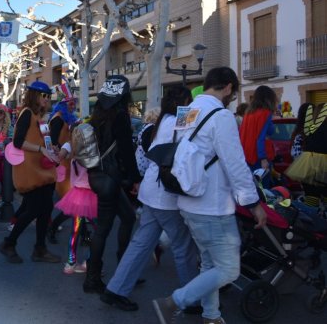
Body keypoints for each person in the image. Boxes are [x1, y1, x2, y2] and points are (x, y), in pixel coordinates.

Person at [153, 67, 267, 324]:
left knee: (208, 263)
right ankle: (174, 302)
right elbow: (235, 163)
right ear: (227, 87)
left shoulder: (188, 111)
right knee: (228, 269)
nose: (232, 97)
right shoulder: (221, 116)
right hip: (212, 205)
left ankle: (211, 316)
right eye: (233, 92)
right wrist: (253, 203)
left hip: (187, 200)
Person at [101, 86, 199, 312]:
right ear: (185, 102)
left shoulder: (162, 121)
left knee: (140, 244)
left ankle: (115, 290)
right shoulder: (181, 119)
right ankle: (191, 298)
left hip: (151, 191)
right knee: (184, 247)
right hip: (165, 195)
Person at [83, 75, 141, 294]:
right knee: (103, 229)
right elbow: (126, 152)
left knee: (127, 217)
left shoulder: (98, 115)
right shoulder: (120, 116)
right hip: (110, 178)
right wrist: (136, 179)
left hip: (96, 176)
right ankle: (93, 279)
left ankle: (123, 270)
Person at [0, 80, 61, 264]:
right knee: (33, 210)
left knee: (45, 209)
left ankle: (40, 249)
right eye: (44, 96)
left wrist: (51, 149)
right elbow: (17, 142)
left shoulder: (39, 118)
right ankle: (8, 243)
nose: (47, 100)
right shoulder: (26, 114)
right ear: (35, 95)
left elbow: (42, 142)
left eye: (49, 96)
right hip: (30, 171)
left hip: (42, 170)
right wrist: (41, 150)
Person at [55, 143, 97, 275]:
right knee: (98, 230)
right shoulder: (94, 148)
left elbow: (59, 157)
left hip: (77, 194)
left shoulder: (71, 146)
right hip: (91, 195)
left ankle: (70, 263)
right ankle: (90, 262)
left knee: (75, 230)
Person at [46, 95, 78, 244]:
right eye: (71, 104)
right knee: (72, 202)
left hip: (69, 163)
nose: (73, 106)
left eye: (74, 104)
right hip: (63, 165)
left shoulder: (64, 119)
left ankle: (83, 233)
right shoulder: (58, 119)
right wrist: (61, 155)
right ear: (63, 105)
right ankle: (51, 228)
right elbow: (53, 142)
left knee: (77, 203)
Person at [239, 85, 278, 188]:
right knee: (263, 190)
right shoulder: (265, 113)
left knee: (251, 187)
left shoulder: (248, 113)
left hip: (246, 155)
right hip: (259, 157)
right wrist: (263, 158)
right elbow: (262, 136)